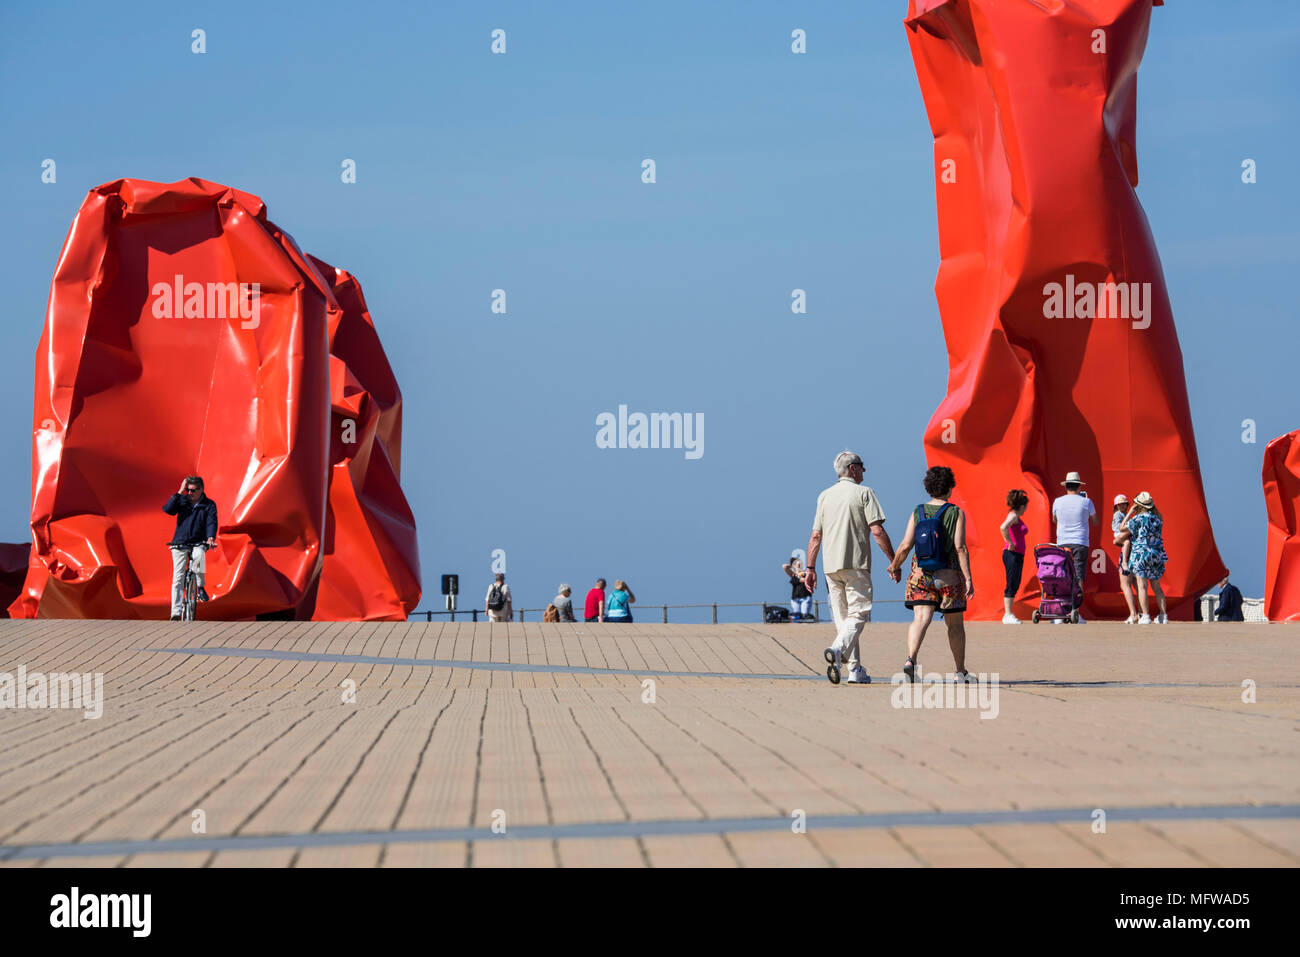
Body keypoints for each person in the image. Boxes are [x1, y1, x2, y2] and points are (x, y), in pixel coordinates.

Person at [803, 450, 897, 685]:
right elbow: (877, 531)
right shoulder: (865, 493)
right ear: (853, 469)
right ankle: (837, 650)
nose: (865, 470)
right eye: (862, 466)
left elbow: (816, 536)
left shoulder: (824, 496)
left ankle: (854, 670)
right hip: (856, 564)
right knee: (860, 612)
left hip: (830, 567)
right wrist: (894, 561)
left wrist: (810, 568)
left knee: (843, 618)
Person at [887, 466, 976, 683]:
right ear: (950, 488)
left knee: (920, 619)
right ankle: (960, 672)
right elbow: (960, 547)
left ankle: (910, 661)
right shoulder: (956, 512)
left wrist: (895, 565)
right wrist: (968, 578)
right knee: (955, 625)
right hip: (948, 576)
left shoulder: (918, 511)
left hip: (920, 574)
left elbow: (906, 544)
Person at [163, 475, 217, 620]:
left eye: (193, 490)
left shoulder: (209, 505)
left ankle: (200, 586)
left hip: (199, 541)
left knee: (199, 557)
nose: (190, 493)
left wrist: (210, 537)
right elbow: (168, 509)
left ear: (201, 490)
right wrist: (180, 491)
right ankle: (175, 612)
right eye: (188, 490)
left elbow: (211, 522)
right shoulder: (183, 500)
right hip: (180, 542)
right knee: (178, 577)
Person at [1051, 471, 1098, 623]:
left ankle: (1059, 615)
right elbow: (1095, 521)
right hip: (1080, 542)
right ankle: (1074, 613)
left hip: (1062, 542)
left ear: (1066, 487)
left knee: (1061, 578)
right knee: (1078, 579)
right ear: (1079, 487)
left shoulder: (1057, 501)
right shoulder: (1087, 502)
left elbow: (1054, 519)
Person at [1122, 491, 1168, 624]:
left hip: (1141, 554)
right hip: (1157, 554)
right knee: (1157, 586)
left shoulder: (1138, 519)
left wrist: (1130, 512)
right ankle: (1163, 616)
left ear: (1139, 505)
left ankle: (1146, 616)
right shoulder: (1158, 519)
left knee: (1142, 586)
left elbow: (1121, 528)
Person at [999, 489, 1029, 624]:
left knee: (1015, 583)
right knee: (1011, 583)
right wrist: (1009, 542)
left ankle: (1009, 614)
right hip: (1012, 554)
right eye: (1025, 507)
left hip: (1016, 554)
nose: (1026, 510)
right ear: (1022, 506)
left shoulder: (1015, 516)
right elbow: (1003, 527)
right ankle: (1008, 615)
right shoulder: (1013, 516)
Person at [1111, 494, 1140, 623]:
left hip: (1126, 551)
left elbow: (1118, 538)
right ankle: (1140, 613)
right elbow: (1119, 529)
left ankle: (1133, 614)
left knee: (1126, 584)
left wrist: (1118, 540)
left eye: (1125, 504)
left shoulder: (1125, 516)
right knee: (1137, 584)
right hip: (1132, 550)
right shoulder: (1119, 515)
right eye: (1121, 504)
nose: (1123, 506)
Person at [782, 555, 813, 620]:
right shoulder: (793, 575)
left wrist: (798, 567)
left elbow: (803, 579)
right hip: (795, 598)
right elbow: (784, 567)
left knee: (805, 616)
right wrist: (792, 565)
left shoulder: (805, 573)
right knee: (796, 616)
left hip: (805, 597)